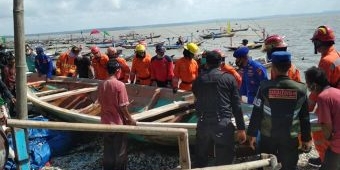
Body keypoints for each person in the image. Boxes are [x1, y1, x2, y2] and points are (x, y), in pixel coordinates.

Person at [247, 51, 312, 170]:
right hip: (290, 137)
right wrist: (306, 139)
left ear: (273, 67)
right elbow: (304, 117)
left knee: (267, 165)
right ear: (289, 66)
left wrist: (252, 134)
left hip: (268, 137)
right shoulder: (301, 89)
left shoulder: (264, 87)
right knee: (290, 166)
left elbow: (257, 112)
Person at [192, 51, 246, 168]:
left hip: (203, 123)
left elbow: (197, 99)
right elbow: (237, 105)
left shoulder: (198, 80)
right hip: (223, 124)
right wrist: (241, 128)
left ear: (206, 64)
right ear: (221, 63)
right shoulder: (229, 78)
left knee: (200, 161)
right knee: (226, 162)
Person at [308, 25, 340, 167]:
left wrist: (308, 108)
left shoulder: (326, 61)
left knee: (318, 132)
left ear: (319, 43)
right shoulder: (336, 55)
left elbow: (318, 88)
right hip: (336, 100)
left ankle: (324, 160)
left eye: (316, 42)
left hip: (329, 102)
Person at [98, 59, 136, 170]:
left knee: (108, 149)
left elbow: (100, 102)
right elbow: (123, 106)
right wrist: (130, 119)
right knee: (120, 150)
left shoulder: (101, 84)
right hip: (117, 123)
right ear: (118, 70)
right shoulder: (120, 85)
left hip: (105, 122)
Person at [305, 66, 340, 170]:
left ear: (314, 85)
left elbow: (327, 128)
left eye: (307, 83)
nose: (307, 87)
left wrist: (328, 139)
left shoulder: (323, 97)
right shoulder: (336, 91)